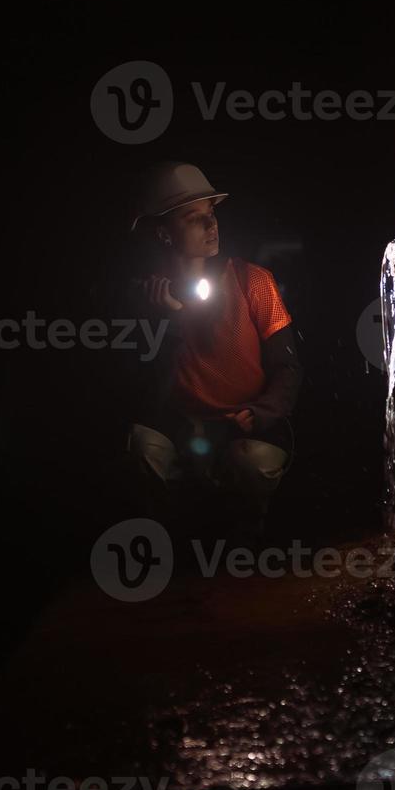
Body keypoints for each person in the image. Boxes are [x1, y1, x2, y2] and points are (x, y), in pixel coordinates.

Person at [122, 161, 302, 542]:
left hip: (243, 424)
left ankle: (247, 542)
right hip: (184, 427)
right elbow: (139, 392)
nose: (211, 225)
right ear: (163, 234)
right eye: (193, 218)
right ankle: (177, 544)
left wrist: (263, 412)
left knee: (253, 463)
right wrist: (163, 320)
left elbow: (286, 366)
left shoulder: (252, 280)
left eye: (211, 213)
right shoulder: (146, 297)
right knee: (143, 445)